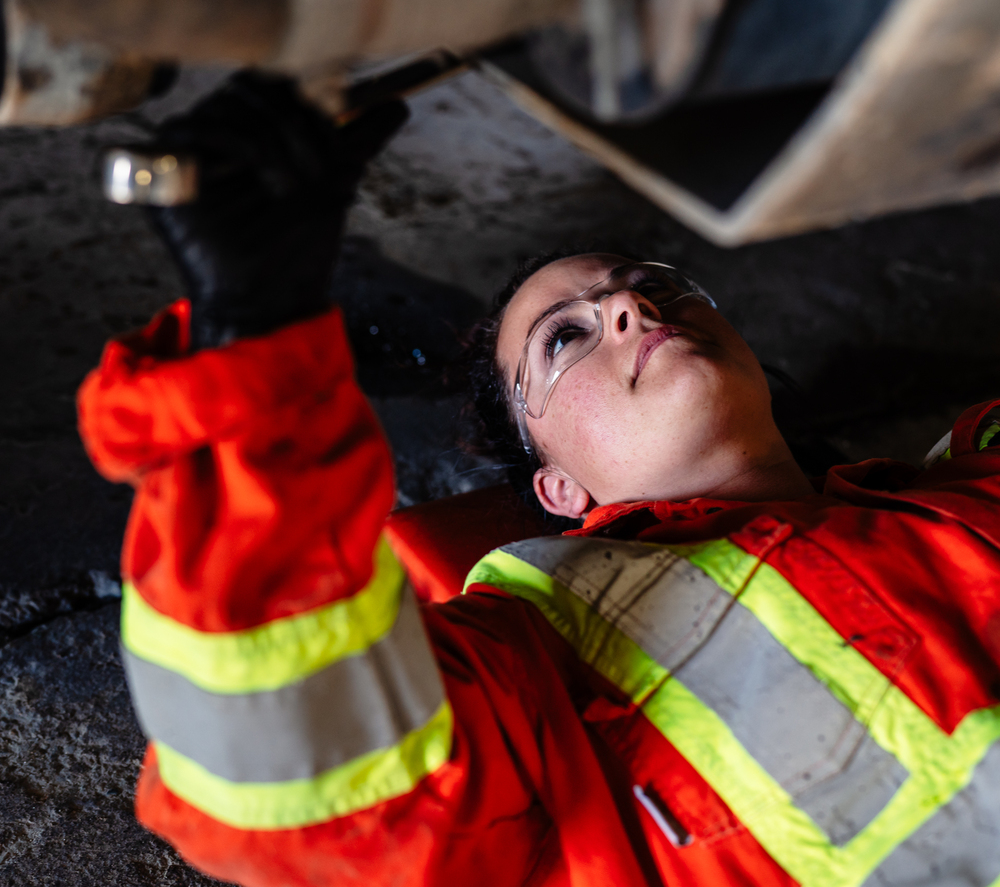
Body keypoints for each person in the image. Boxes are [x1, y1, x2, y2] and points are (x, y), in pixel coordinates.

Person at [77, 72, 1000, 887]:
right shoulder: (537, 660)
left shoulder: (970, 473)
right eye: (568, 336)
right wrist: (253, 337)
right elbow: (292, 768)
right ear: (559, 489)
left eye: (651, 289)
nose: (635, 307)